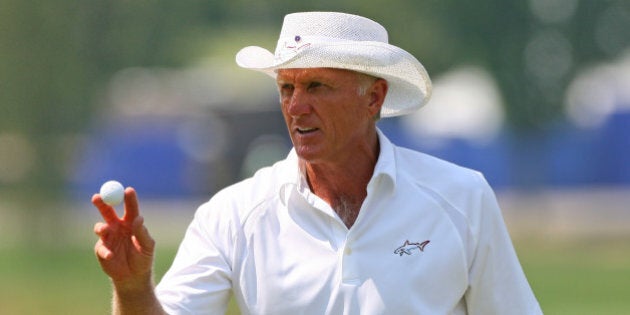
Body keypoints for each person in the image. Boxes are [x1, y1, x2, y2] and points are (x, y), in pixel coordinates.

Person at [92, 11, 542, 314]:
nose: (296, 106)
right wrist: (133, 290)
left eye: (318, 87)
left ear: (375, 97)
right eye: (287, 88)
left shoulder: (461, 197)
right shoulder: (232, 214)